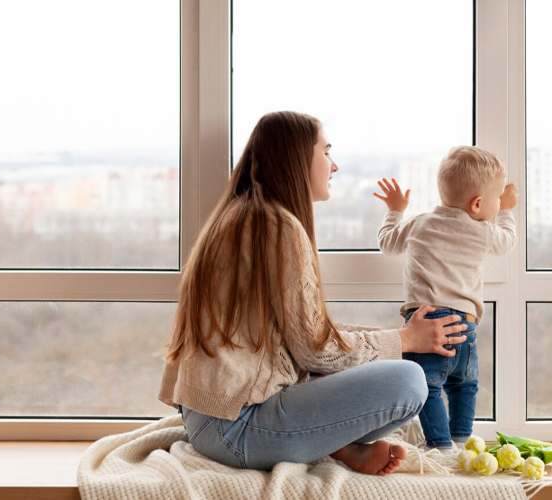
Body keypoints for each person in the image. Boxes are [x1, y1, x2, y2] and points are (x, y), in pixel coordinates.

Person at [158, 111, 469, 476]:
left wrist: (397, 339)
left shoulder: (242, 215)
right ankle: (334, 443)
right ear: (296, 159)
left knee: (373, 364)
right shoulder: (278, 227)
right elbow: (315, 350)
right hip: (234, 429)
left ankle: (339, 445)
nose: (334, 166)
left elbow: (305, 336)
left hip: (207, 418)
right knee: (409, 380)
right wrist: (404, 340)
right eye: (326, 152)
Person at [374, 145, 518, 450]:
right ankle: (462, 437)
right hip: (465, 327)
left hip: (424, 325)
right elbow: (506, 242)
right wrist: (506, 211)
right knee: (465, 385)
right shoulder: (481, 231)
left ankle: (440, 446)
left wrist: (395, 210)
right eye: (495, 198)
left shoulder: (419, 223)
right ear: (478, 205)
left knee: (427, 388)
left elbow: (387, 242)